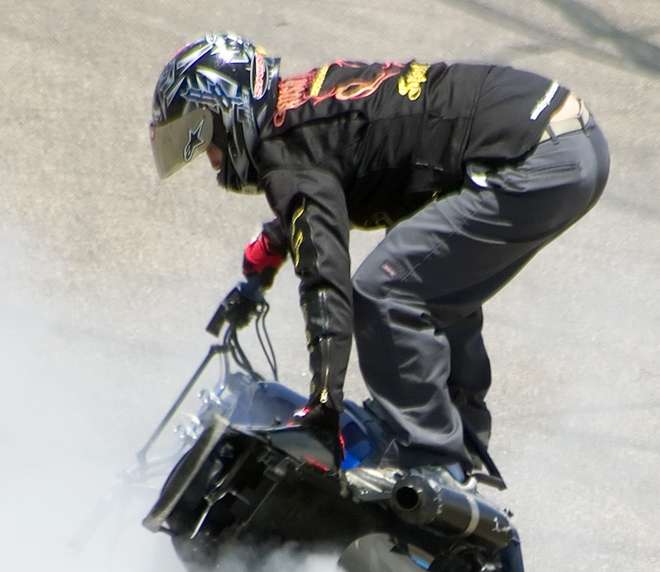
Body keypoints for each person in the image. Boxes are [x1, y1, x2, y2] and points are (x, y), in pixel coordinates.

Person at [149, 33, 609, 492]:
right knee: (423, 272)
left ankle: (432, 460)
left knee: (385, 290)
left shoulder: (286, 155)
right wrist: (273, 244)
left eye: (204, 142)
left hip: (535, 160)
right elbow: (335, 171)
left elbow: (324, 280)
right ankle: (460, 443)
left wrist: (323, 406)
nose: (210, 160)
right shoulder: (301, 111)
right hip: (569, 141)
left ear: (228, 113)